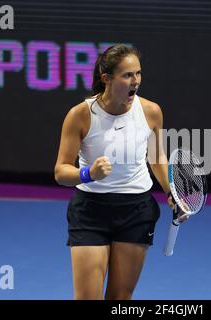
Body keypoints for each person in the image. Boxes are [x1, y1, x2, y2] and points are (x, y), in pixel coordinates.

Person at [54, 44, 189, 300]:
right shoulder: (80, 115)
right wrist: (88, 174)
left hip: (136, 210)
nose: (135, 81)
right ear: (106, 79)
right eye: (127, 75)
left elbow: (156, 156)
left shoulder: (151, 111)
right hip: (90, 211)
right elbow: (61, 172)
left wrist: (171, 190)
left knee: (120, 300)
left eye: (138, 74)